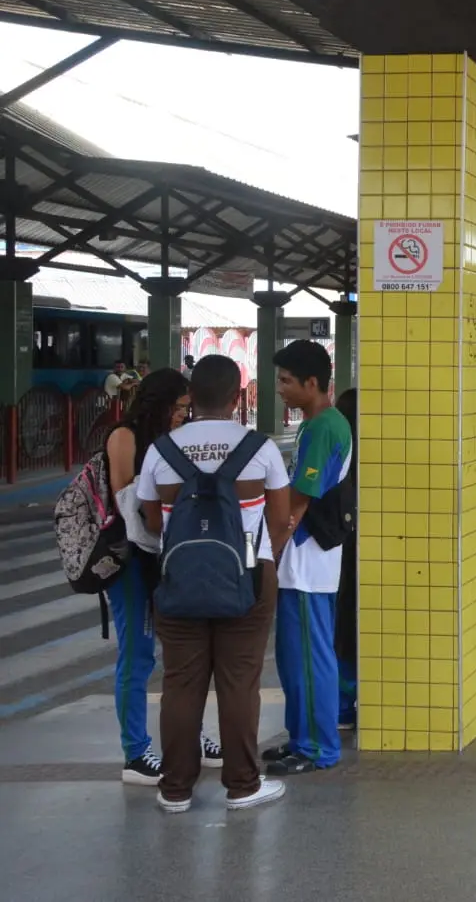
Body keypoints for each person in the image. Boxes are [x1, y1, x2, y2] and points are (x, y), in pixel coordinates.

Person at [137, 355, 291, 812]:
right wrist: (263, 558)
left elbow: (150, 521)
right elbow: (280, 520)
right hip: (247, 575)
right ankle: (242, 785)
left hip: (179, 578)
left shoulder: (161, 450)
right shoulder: (259, 448)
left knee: (182, 683)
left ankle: (175, 789)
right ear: (236, 396)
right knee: (239, 682)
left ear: (191, 396)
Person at [104, 368, 223, 785]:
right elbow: (125, 502)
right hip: (133, 560)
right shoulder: (125, 437)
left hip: (170, 557)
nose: (180, 417)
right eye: (176, 409)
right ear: (157, 404)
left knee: (185, 654)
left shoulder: (170, 443)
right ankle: (135, 753)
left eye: (185, 410)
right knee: (137, 655)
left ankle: (193, 735)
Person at [263, 340, 352, 775]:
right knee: (295, 656)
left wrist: (274, 542)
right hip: (309, 561)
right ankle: (301, 738)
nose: (278, 388)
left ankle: (318, 747)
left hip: (307, 559)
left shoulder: (322, 428)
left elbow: (301, 496)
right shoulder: (318, 424)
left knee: (309, 657)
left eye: (285, 380)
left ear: (312, 383)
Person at [333, 388, 359, 732]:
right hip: (373, 551)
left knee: (341, 625)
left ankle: (342, 706)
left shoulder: (337, 452)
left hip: (338, 548)